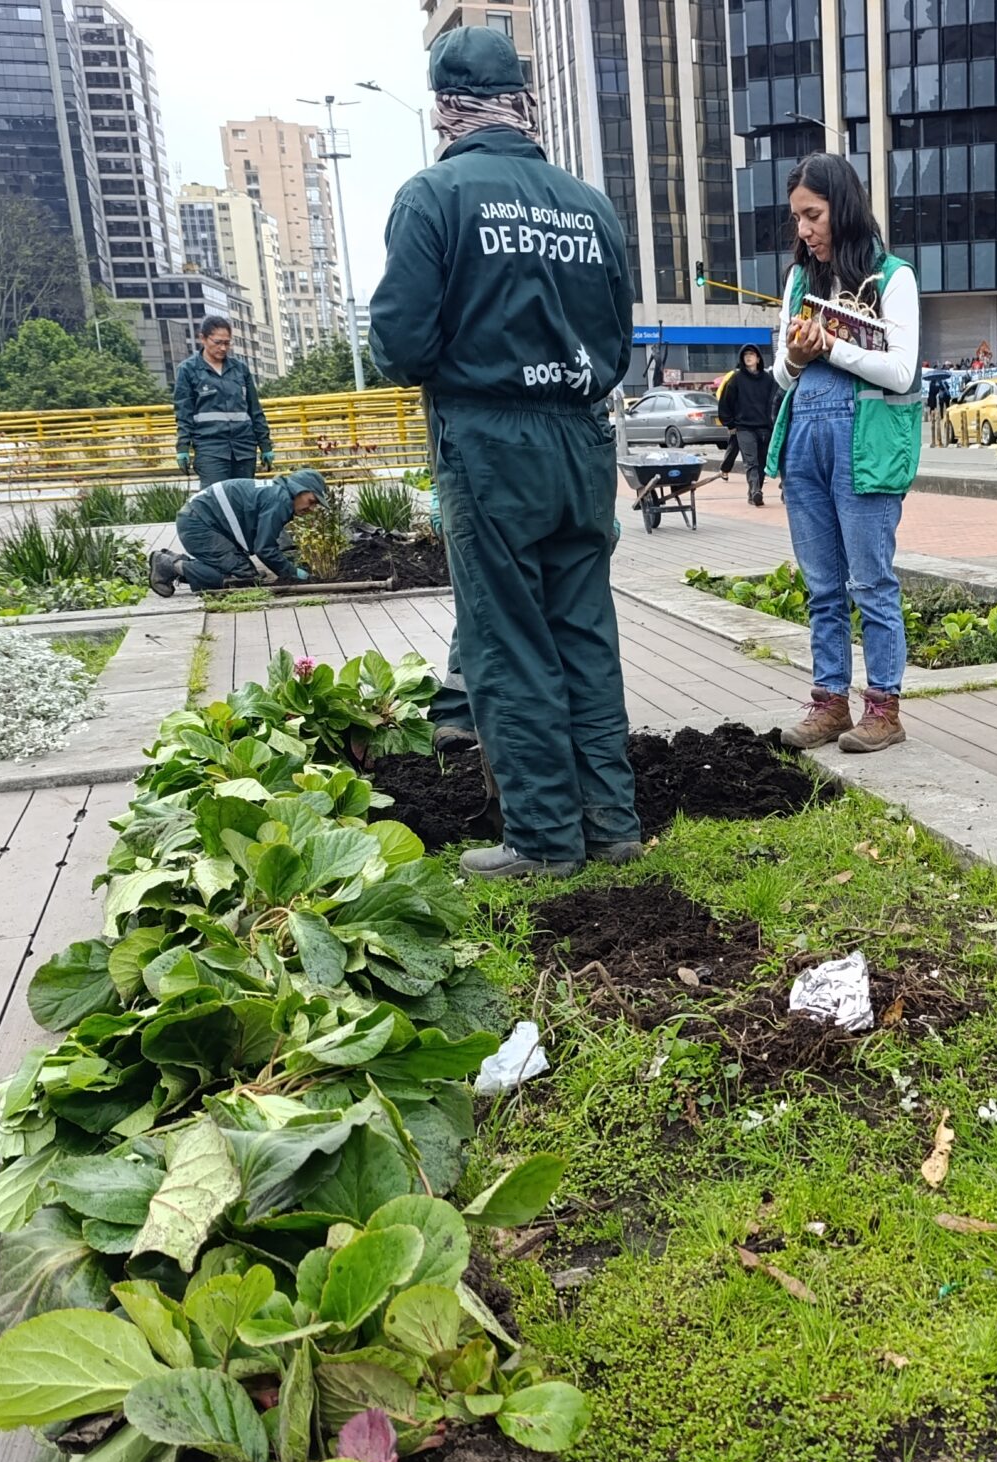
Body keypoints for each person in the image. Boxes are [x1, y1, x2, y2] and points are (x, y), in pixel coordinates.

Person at [369, 22, 640, 879]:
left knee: (507, 640)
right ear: (522, 100)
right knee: (584, 631)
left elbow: (401, 344)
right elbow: (618, 335)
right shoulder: (588, 205)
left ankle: (545, 841)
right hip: (581, 439)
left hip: (490, 443)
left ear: (447, 107)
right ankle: (613, 823)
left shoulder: (433, 197)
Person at [769, 151, 922, 755]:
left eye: (814, 215)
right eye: (798, 219)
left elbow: (903, 371)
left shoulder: (892, 277)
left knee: (871, 582)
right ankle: (829, 701)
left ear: (844, 208)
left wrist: (829, 347)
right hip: (806, 440)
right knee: (822, 585)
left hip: (867, 443)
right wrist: (798, 357)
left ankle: (883, 708)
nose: (804, 230)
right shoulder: (799, 281)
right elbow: (783, 376)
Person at [147, 467, 327, 594]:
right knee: (243, 579)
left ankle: (177, 563)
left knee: (242, 572)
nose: (311, 509)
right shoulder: (280, 500)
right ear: (299, 490)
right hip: (199, 525)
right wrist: (293, 573)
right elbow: (264, 549)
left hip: (200, 520)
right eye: (311, 501)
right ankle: (171, 566)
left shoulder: (277, 493)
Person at [172, 316, 273, 487]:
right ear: (202, 338)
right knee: (217, 500)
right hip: (210, 448)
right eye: (218, 342)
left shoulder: (240, 369)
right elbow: (184, 413)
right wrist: (183, 448)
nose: (223, 348)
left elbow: (254, 410)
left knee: (244, 499)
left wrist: (265, 445)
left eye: (227, 343)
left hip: (243, 447)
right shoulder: (188, 370)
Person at [715, 342, 777, 503]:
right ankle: (756, 490)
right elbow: (725, 402)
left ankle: (754, 492)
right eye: (745, 355)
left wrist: (773, 422)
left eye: (751, 354)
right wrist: (730, 424)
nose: (748, 357)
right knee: (751, 462)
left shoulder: (768, 380)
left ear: (758, 358)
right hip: (744, 428)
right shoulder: (736, 379)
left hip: (765, 428)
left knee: (762, 462)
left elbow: (774, 401)